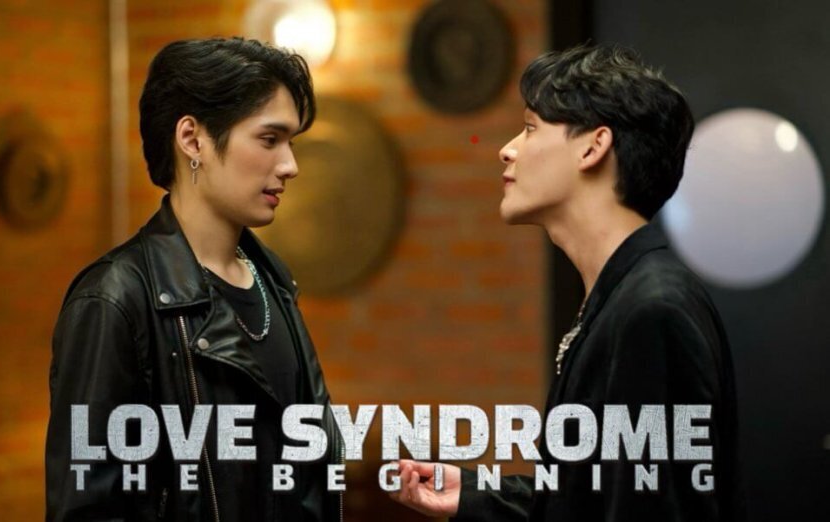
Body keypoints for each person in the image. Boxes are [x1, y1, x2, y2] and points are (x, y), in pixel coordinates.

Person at [391, 44, 746, 521]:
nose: (507, 149)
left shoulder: (652, 310)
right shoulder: (621, 295)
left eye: (531, 128)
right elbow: (590, 496)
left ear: (592, 147)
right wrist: (475, 495)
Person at [45, 37, 343, 521]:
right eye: (269, 139)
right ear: (192, 139)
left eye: (291, 143)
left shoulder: (273, 281)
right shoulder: (114, 299)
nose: (290, 166)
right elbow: (87, 508)